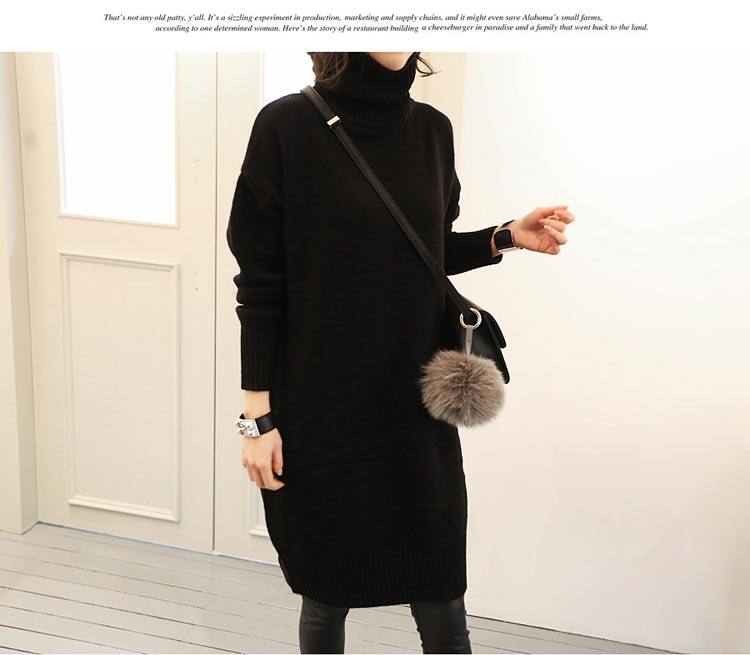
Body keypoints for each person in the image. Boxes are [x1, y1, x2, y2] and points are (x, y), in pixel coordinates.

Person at [226, 51, 574, 654]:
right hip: (321, 405)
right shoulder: (285, 127)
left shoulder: (432, 130)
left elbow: (422, 251)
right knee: (327, 588)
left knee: (440, 586)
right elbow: (260, 285)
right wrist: (258, 419)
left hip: (414, 405)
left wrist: (504, 238)